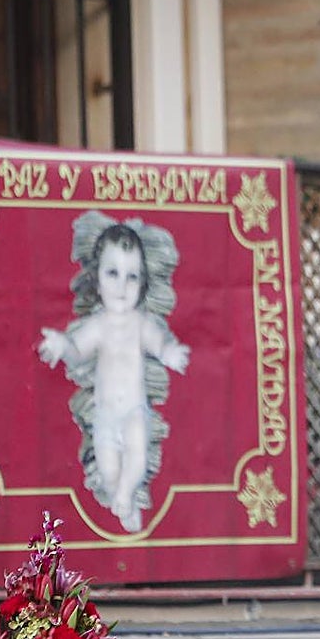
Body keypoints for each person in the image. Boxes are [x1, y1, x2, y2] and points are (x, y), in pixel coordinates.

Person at [38, 220, 189, 532]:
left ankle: (126, 494)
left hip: (134, 411)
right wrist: (61, 346)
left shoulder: (140, 322)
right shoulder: (99, 325)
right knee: (107, 468)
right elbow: (78, 350)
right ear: (96, 279)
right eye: (113, 274)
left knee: (137, 451)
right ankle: (119, 493)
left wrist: (169, 353)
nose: (122, 285)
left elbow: (158, 342)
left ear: (144, 282)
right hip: (106, 416)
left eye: (132, 276)